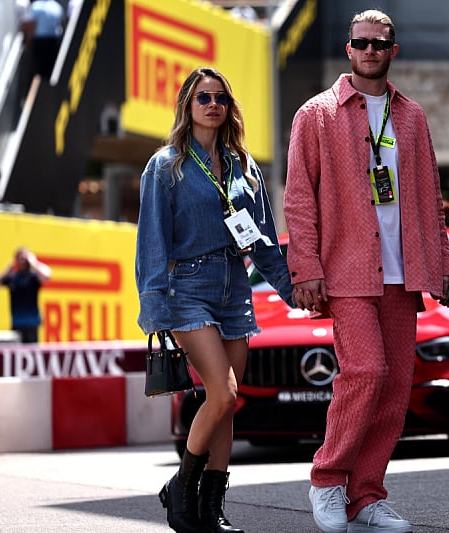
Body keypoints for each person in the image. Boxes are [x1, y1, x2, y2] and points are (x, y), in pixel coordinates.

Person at [283, 9, 449, 533]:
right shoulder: (315, 115)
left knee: (395, 385)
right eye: (361, 42)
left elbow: (430, 195)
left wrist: (442, 264)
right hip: (347, 269)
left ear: (393, 50)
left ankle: (367, 496)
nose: (370, 50)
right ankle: (327, 479)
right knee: (366, 371)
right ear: (349, 48)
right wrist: (305, 268)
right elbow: (298, 199)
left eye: (380, 43)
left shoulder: (412, 116)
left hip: (403, 273)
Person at [134, 67, 293, 533]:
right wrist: (155, 306)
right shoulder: (166, 165)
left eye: (220, 97)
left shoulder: (245, 165)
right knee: (221, 392)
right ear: (187, 104)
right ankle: (180, 488)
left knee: (226, 404)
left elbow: (263, 240)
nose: (212, 104)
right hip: (187, 288)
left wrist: (291, 290)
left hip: (235, 286)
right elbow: (151, 243)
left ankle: (211, 508)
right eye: (203, 97)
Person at [0, 247, 52, 343]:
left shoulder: (34, 277)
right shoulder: (12, 277)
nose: (22, 261)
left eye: (24, 258)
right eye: (19, 258)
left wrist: (33, 262)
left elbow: (47, 276)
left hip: (32, 324)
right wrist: (6, 271)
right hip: (17, 324)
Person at [25, 0, 65, 80]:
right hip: (52, 41)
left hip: (39, 41)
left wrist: (29, 41)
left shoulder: (36, 6)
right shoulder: (56, 6)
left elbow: (31, 25)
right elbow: (61, 23)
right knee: (50, 68)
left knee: (38, 69)